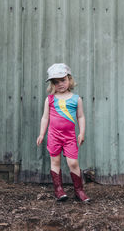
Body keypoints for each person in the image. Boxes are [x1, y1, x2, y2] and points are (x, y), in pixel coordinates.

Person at [37, 63, 90, 202]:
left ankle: (79, 191)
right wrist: (42, 134)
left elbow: (81, 116)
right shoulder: (50, 99)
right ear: (52, 84)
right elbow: (45, 117)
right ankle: (58, 190)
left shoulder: (76, 99)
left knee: (73, 163)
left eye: (63, 80)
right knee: (55, 161)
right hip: (54, 136)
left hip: (70, 137)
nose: (60, 84)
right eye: (56, 82)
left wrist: (82, 133)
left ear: (69, 79)